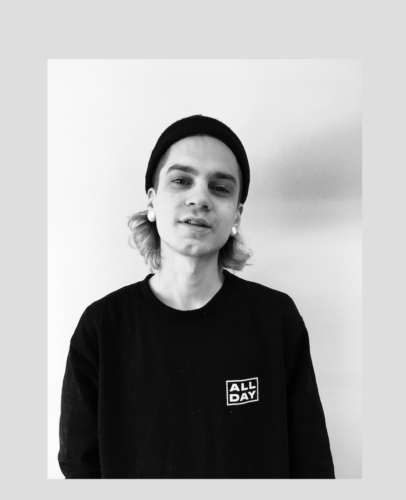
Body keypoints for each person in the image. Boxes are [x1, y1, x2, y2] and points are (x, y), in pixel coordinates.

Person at [58, 115, 335, 479]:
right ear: (152, 201)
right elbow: (79, 468)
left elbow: (312, 464)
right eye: (181, 180)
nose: (200, 198)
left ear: (236, 215)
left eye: (219, 188)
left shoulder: (275, 319)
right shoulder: (102, 327)